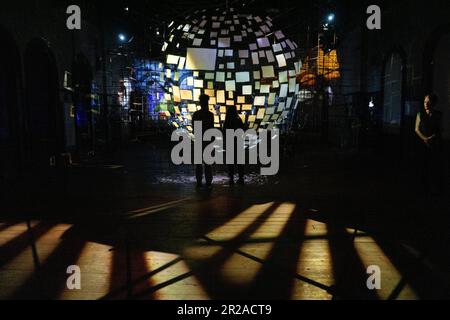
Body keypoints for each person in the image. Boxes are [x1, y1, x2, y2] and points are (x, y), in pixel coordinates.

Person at [415, 94, 444, 195]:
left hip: (434, 144)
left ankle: (433, 187)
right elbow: (416, 129)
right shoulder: (420, 114)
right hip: (422, 144)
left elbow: (440, 128)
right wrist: (424, 138)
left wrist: (432, 138)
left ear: (434, 103)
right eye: (424, 102)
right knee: (422, 165)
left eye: (428, 102)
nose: (426, 104)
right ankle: (423, 187)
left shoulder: (438, 115)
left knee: (433, 166)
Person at [192, 94, 215, 188]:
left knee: (198, 163)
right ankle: (208, 181)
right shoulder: (210, 115)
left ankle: (199, 181)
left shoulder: (196, 114)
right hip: (208, 141)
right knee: (208, 163)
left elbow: (194, 128)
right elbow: (211, 128)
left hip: (199, 140)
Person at [223, 105, 245, 185]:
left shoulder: (227, 121)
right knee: (239, 162)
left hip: (230, 144)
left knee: (231, 163)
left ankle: (231, 179)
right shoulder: (238, 120)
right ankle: (241, 178)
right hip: (238, 143)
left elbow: (224, 132)